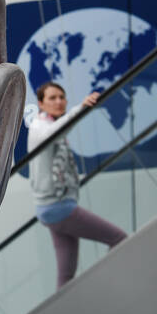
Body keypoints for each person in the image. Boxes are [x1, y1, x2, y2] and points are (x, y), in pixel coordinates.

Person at [27, 81, 127, 288]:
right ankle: (106, 287)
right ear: (41, 104)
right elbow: (52, 134)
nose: (59, 101)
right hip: (58, 207)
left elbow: (59, 130)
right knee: (119, 239)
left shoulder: (51, 124)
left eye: (62, 97)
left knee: (66, 276)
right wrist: (80, 109)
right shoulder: (39, 126)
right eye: (52, 98)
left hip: (53, 209)